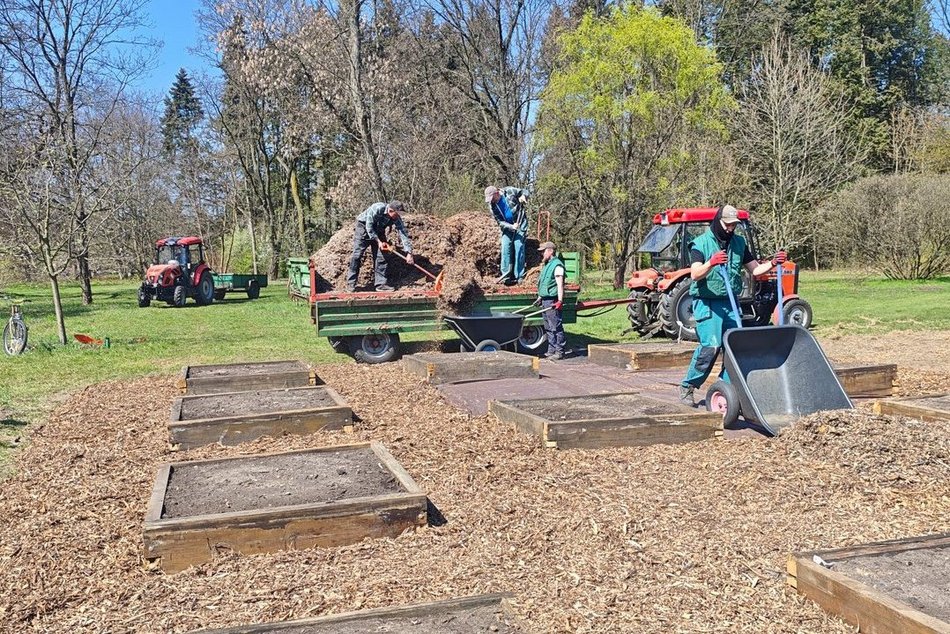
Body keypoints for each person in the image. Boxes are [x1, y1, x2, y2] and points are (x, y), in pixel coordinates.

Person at [679, 205, 787, 406]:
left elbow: (755, 270)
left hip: (730, 302)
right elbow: (694, 274)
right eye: (727, 225)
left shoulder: (738, 243)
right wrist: (711, 262)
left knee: (736, 346)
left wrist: (773, 262)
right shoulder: (700, 244)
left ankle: (724, 387)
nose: (730, 229)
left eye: (733, 225)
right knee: (711, 347)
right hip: (707, 302)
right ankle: (688, 387)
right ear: (718, 221)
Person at [346, 201, 413, 292]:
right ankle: (351, 283)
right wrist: (378, 241)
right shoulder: (377, 208)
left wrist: (409, 253)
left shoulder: (396, 217)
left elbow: (403, 233)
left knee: (381, 256)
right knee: (357, 255)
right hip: (364, 227)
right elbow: (369, 226)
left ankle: (381, 284)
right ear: (390, 210)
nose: (398, 216)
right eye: (397, 214)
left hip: (379, 230)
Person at [484, 185, 529, 284]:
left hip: (520, 223)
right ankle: (506, 276)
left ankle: (519, 276)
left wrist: (523, 196)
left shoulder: (509, 191)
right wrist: (511, 226)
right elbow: (499, 221)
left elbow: (524, 191)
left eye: (492, 198)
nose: (491, 201)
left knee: (519, 246)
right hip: (508, 228)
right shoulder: (492, 206)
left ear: (496, 193)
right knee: (505, 247)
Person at [536, 241, 567, 360]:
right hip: (545, 300)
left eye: (543, 251)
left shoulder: (557, 266)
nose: (542, 254)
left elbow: (560, 285)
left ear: (551, 251)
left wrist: (559, 300)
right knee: (548, 327)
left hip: (553, 301)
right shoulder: (547, 265)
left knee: (556, 327)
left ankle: (559, 351)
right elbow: (544, 283)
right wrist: (540, 297)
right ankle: (551, 350)